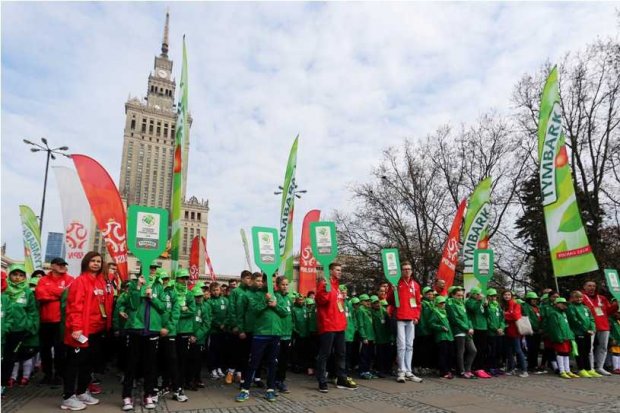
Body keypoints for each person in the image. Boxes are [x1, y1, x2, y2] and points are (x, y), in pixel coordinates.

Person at [61, 252, 114, 411]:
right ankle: (68, 397)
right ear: (86, 262)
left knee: (88, 364)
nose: (96, 263)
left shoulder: (100, 282)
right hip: (81, 331)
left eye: (99, 261)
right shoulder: (80, 281)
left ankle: (82, 391)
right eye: (93, 261)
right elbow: (74, 306)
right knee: (74, 364)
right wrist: (76, 327)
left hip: (96, 331)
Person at [121, 263, 167, 411]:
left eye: (153, 268)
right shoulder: (133, 283)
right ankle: (127, 396)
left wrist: (151, 296)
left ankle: (148, 394)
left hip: (152, 331)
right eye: (149, 268)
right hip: (136, 329)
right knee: (131, 365)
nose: (151, 271)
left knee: (150, 365)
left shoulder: (159, 287)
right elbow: (132, 305)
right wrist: (138, 288)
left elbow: (162, 307)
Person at [235, 274, 288, 403]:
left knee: (272, 363)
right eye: (270, 281)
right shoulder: (255, 295)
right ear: (264, 282)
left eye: (275, 281)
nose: (273, 284)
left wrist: (275, 305)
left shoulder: (279, 295)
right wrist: (266, 301)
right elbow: (254, 310)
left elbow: (285, 312)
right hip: (260, 334)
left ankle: (270, 390)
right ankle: (245, 390)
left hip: (275, 334)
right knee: (254, 362)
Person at [314, 262, 357, 392]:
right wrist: (325, 291)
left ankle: (341, 379)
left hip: (339, 325)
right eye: (337, 270)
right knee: (325, 354)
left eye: (340, 270)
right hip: (328, 325)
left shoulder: (337, 286)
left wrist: (342, 298)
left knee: (341, 353)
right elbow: (321, 301)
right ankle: (322, 380)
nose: (340, 272)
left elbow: (337, 305)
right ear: (331, 271)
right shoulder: (324, 283)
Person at [1, 264, 39, 395]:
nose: (17, 278)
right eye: (15, 274)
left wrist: (28, 326)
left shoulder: (27, 292)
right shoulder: (4, 289)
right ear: (10, 275)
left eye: (21, 275)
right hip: (3, 330)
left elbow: (32, 311)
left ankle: (4, 383)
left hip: (18, 331)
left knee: (10, 358)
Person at [35, 257, 74, 385]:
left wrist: (52, 292)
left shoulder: (70, 279)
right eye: (59, 264)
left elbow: (69, 295)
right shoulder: (43, 280)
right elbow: (40, 295)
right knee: (45, 350)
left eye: (64, 264)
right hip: (45, 321)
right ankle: (47, 374)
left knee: (60, 350)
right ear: (52, 266)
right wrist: (59, 293)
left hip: (61, 321)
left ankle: (59, 375)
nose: (62, 266)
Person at [387, 261, 423, 383]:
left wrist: (417, 316)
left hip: (411, 318)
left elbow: (418, 303)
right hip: (400, 318)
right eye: (404, 269)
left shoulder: (416, 285)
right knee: (401, 345)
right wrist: (392, 290)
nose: (407, 271)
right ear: (401, 271)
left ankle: (408, 371)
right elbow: (389, 300)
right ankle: (401, 371)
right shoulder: (396, 283)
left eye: (409, 269)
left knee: (409, 345)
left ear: (412, 271)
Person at [581, 280, 618, 376]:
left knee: (603, 347)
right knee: (590, 348)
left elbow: (609, 311)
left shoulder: (602, 298)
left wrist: (616, 304)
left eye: (593, 286)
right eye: (589, 286)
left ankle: (600, 367)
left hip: (604, 325)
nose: (592, 288)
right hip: (590, 326)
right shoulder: (581, 298)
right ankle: (590, 368)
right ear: (584, 287)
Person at [174, 269, 196, 404]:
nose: (184, 281)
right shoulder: (172, 291)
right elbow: (170, 309)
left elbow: (192, 311)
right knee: (170, 359)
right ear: (176, 279)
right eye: (182, 278)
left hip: (184, 331)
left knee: (182, 360)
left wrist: (180, 312)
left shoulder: (189, 294)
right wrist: (182, 310)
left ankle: (179, 386)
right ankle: (169, 384)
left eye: (186, 278)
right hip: (172, 330)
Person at [226, 270, 253, 384]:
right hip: (237, 327)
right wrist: (235, 325)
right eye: (247, 278)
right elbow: (232, 309)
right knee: (235, 351)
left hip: (248, 328)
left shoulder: (251, 292)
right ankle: (230, 373)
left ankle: (240, 374)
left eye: (250, 278)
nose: (249, 281)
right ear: (241, 279)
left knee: (245, 353)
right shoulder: (236, 292)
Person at [447, 286, 477, 379]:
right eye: (458, 295)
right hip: (459, 330)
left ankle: (468, 370)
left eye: (461, 295)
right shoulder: (450, 304)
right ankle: (461, 371)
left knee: (473, 350)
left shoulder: (462, 303)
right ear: (452, 295)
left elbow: (468, 318)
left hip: (467, 330)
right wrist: (466, 328)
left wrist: (470, 327)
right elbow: (455, 319)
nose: (460, 297)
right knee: (461, 351)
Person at [566, 290, 597, 377]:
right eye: (577, 297)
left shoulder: (585, 307)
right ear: (572, 298)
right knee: (580, 351)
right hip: (578, 332)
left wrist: (593, 328)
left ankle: (588, 369)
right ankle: (581, 369)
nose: (579, 299)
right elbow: (574, 320)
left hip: (588, 333)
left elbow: (591, 319)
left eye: (580, 297)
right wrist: (585, 329)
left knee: (587, 351)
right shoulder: (571, 307)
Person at [545, 297, 577, 379]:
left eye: (565, 304)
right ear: (557, 304)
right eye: (563, 304)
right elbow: (554, 327)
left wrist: (570, 335)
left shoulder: (563, 314)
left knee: (566, 354)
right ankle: (562, 370)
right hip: (560, 337)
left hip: (566, 337)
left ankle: (568, 370)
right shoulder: (553, 314)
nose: (564, 306)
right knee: (561, 353)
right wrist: (558, 337)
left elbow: (567, 326)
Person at [500, 290, 528, 377]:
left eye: (508, 294)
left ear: (512, 296)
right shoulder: (503, 305)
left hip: (515, 331)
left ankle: (524, 370)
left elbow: (515, 316)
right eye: (505, 294)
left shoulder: (515, 304)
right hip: (507, 331)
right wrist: (508, 314)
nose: (507, 296)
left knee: (518, 350)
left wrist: (505, 314)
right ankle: (511, 369)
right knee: (509, 351)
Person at [465, 287, 491, 378]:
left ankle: (481, 367)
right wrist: (480, 301)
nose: (479, 295)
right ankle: (475, 367)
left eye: (480, 293)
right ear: (472, 294)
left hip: (484, 327)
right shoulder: (469, 302)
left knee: (483, 349)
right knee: (477, 349)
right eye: (477, 294)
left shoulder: (481, 302)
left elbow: (487, 314)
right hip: (475, 327)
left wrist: (487, 306)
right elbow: (474, 309)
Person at [275, 276, 293, 393]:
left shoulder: (289, 298)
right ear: (278, 285)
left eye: (287, 284)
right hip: (278, 333)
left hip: (287, 334)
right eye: (283, 284)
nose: (285, 287)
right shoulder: (276, 296)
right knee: (275, 360)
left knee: (284, 360)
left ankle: (281, 380)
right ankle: (273, 381)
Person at [428, 295, 453, 379]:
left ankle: (448, 370)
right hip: (441, 336)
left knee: (449, 354)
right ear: (437, 304)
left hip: (449, 336)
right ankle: (443, 372)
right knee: (443, 354)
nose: (443, 305)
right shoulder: (435, 312)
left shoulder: (444, 312)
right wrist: (440, 327)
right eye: (441, 303)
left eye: (444, 303)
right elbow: (431, 324)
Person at [521, 292, 543, 373]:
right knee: (531, 349)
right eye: (533, 299)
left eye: (536, 299)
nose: (535, 301)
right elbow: (527, 318)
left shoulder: (537, 307)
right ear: (528, 300)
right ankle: (531, 366)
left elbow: (540, 317)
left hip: (538, 331)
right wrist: (535, 328)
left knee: (536, 349)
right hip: (531, 330)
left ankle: (535, 365)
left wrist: (541, 327)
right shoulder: (526, 307)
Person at [485, 288, 505, 376]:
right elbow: (488, 320)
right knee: (491, 351)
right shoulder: (487, 306)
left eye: (495, 296)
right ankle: (490, 368)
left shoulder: (498, 306)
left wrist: (501, 327)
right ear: (488, 297)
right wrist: (495, 329)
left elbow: (502, 318)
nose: (494, 298)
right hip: (491, 333)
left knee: (498, 350)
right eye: (491, 296)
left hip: (499, 332)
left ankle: (496, 367)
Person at [356, 294, 376, 379]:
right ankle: (362, 371)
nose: (368, 302)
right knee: (364, 354)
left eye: (369, 301)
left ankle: (367, 370)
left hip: (371, 336)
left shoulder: (369, 310)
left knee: (369, 354)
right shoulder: (360, 310)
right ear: (361, 302)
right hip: (366, 337)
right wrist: (364, 337)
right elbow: (360, 325)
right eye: (366, 301)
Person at [608, 309, 620, 374]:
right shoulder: (610, 320)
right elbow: (608, 331)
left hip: (619, 340)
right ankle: (615, 368)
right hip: (614, 340)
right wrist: (612, 338)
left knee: (619, 353)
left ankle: (618, 367)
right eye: (617, 313)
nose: (618, 315)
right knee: (616, 353)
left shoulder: (618, 320)